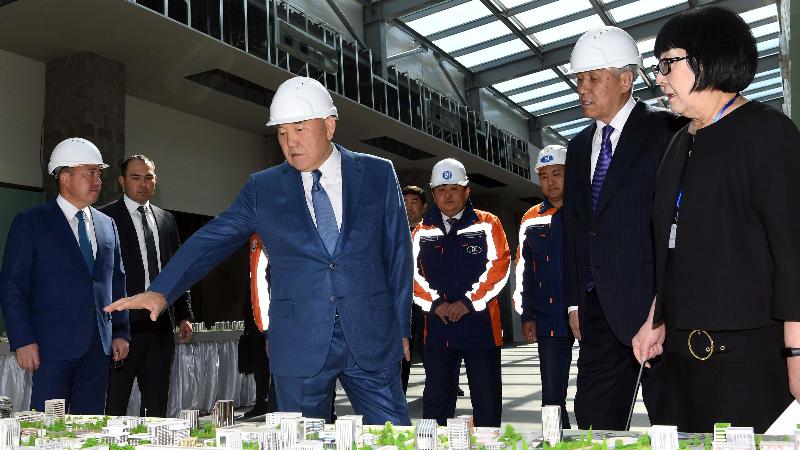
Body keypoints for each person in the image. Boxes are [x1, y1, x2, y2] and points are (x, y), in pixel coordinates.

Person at [105, 76, 412, 425]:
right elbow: (212, 239)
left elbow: (398, 255)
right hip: (299, 341)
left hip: (372, 336)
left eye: (299, 129)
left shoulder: (377, 174)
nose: (290, 142)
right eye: (281, 133)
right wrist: (162, 291)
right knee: (300, 441)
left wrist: (402, 327)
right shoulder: (263, 188)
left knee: (395, 437)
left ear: (329, 125)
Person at [632, 6, 800, 433]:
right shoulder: (677, 144)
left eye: (668, 63)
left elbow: (793, 252)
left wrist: (797, 354)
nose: (659, 78)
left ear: (709, 58)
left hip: (751, 367)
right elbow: (672, 246)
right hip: (679, 366)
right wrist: (655, 319)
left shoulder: (768, 133)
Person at [562, 26, 687, 430]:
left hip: (654, 309)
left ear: (625, 80)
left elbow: (678, 226)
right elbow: (576, 228)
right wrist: (575, 302)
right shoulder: (578, 147)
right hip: (597, 310)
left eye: (593, 78)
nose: (582, 89)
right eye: (579, 79)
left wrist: (663, 306)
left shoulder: (668, 131)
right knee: (594, 422)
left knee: (671, 421)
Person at [0, 137, 130, 413]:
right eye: (90, 173)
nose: (97, 181)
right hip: (50, 348)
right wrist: (22, 340)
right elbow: (13, 287)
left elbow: (116, 283)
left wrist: (120, 332)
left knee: (90, 425)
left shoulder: (108, 225)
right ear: (65, 178)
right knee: (49, 426)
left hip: (98, 347)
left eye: (99, 174)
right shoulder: (31, 222)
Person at [412, 158, 510, 427]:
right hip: (438, 327)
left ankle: (488, 443)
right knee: (436, 402)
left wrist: (468, 302)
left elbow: (500, 266)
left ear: (467, 191)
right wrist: (437, 304)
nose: (448, 195)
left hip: (482, 326)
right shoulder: (421, 231)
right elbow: (410, 275)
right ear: (433, 194)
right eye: (441, 189)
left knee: (487, 401)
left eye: (454, 188)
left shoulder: (488, 223)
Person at [102, 155, 194, 417]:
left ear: (155, 181)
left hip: (161, 327)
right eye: (135, 177)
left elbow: (178, 270)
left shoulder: (166, 219)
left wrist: (184, 315)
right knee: (114, 406)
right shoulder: (105, 218)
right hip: (122, 327)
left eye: (148, 177)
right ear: (122, 181)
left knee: (156, 407)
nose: (143, 184)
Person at [513, 145, 573, 428]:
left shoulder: (588, 209)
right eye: (544, 176)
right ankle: (557, 441)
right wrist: (527, 315)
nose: (550, 182)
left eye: (557, 174)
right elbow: (524, 270)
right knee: (552, 396)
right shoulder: (531, 217)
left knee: (594, 392)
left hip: (591, 313)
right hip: (548, 316)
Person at [401, 185, 426, 393]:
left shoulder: (432, 231)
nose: (409, 208)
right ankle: (399, 392)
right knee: (402, 347)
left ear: (424, 206)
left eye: (414, 202)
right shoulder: (394, 231)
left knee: (429, 345)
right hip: (402, 299)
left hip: (427, 300)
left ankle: (444, 385)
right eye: (405, 202)